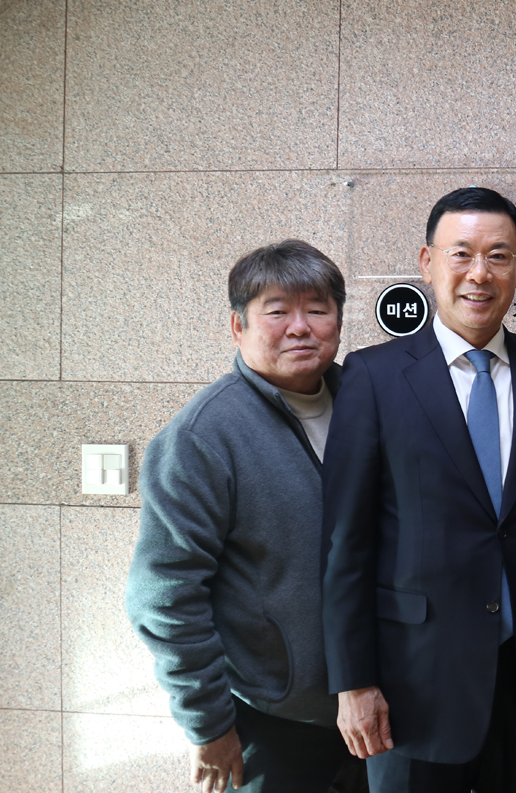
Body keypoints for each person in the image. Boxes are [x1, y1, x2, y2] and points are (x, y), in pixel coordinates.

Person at [320, 187, 516, 793]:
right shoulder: (375, 376)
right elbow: (345, 543)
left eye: (498, 256)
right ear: (427, 263)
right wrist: (352, 682)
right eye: (462, 253)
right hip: (412, 682)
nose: (479, 273)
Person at [127, 240, 365, 793]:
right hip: (271, 714)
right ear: (238, 326)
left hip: (374, 700)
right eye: (277, 311)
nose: (300, 327)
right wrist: (208, 723)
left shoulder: (365, 403)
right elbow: (164, 596)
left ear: (338, 320)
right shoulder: (202, 437)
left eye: (318, 309)